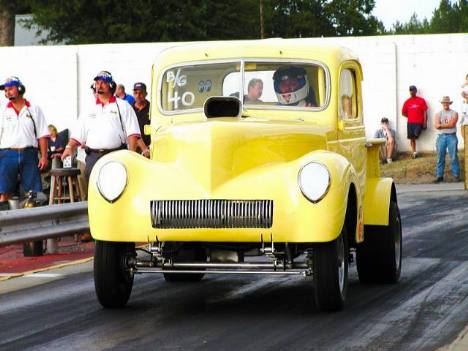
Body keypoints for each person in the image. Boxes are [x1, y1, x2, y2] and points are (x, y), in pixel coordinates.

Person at [61, 71, 141, 182]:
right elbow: (78, 133)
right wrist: (69, 147)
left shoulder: (124, 106)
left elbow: (133, 133)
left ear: (111, 85)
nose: (99, 85)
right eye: (98, 83)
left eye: (103, 83)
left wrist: (131, 156)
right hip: (93, 156)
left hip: (116, 155)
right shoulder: (89, 108)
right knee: (92, 187)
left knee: (117, 185)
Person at [0, 76, 49, 202]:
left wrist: (44, 156)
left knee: (35, 194)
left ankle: (35, 220)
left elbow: (42, 135)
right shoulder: (3, 111)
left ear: (20, 88)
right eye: (5, 90)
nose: (7, 93)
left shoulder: (34, 109)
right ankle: (5, 221)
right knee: (4, 192)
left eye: (10, 89)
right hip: (7, 154)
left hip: (29, 154)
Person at [434, 96, 460, 183]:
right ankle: (439, 176)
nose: (445, 104)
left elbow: (452, 124)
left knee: (453, 156)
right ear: (442, 103)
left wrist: (441, 125)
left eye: (447, 102)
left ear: (449, 103)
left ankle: (456, 175)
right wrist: (445, 125)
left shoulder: (454, 113)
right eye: (444, 102)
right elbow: (437, 126)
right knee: (440, 157)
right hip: (441, 136)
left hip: (451, 136)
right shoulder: (438, 114)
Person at [402, 85, 428, 159]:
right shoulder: (407, 102)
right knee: (411, 138)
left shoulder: (421, 100)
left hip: (419, 122)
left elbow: (425, 111)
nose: (412, 92)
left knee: (416, 134)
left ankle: (418, 132)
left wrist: (425, 122)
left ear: (416, 91)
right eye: (410, 90)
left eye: (413, 90)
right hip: (410, 122)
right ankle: (414, 152)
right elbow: (403, 113)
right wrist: (410, 116)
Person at [132, 82, 150, 156]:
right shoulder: (130, 109)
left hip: (150, 149)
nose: (138, 96)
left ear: (146, 94)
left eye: (141, 93)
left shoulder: (152, 108)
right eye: (135, 93)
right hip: (134, 150)